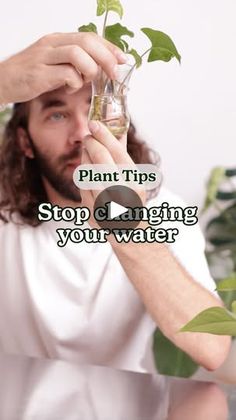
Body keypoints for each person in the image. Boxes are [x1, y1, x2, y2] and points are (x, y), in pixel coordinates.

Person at [0, 33, 231, 373]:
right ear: (25, 141)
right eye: (57, 115)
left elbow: (211, 347)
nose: (82, 132)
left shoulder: (163, 211)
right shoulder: (6, 217)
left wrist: (128, 228)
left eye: (96, 108)